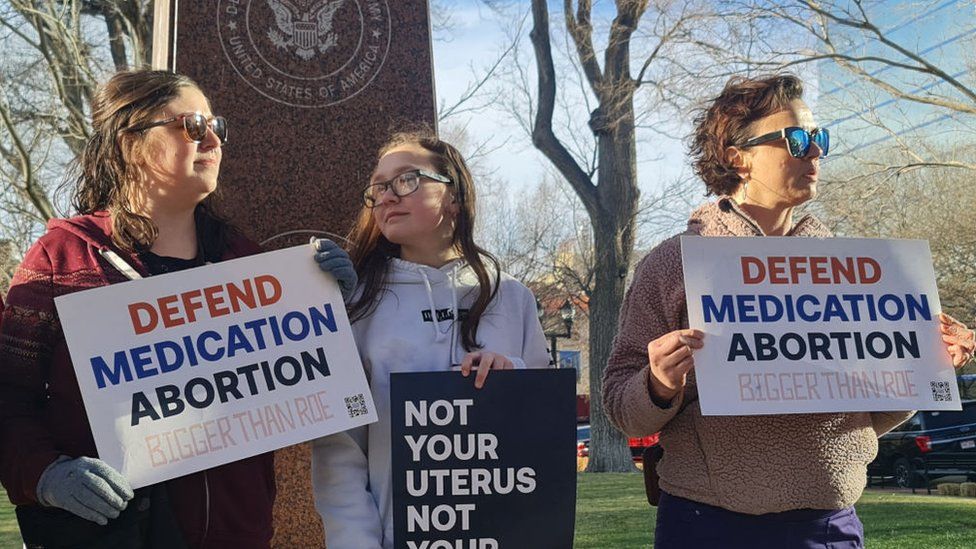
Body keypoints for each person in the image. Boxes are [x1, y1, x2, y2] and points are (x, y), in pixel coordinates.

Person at [602, 74, 976, 549]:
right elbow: (621, 407)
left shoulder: (856, 269)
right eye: (796, 139)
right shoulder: (673, 264)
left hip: (829, 526)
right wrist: (657, 384)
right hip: (705, 523)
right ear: (738, 157)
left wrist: (927, 362)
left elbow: (876, 409)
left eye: (819, 138)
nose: (815, 152)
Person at [0, 69, 356, 548]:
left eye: (218, 126)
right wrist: (45, 476)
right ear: (130, 143)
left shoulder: (244, 261)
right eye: (191, 125)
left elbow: (302, 384)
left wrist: (332, 303)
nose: (213, 138)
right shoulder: (61, 259)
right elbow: (8, 400)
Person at [310, 129, 551, 548]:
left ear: (453, 196)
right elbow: (339, 448)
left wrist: (514, 377)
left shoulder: (511, 297)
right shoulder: (357, 303)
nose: (386, 196)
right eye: (377, 187)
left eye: (405, 180)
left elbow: (543, 430)